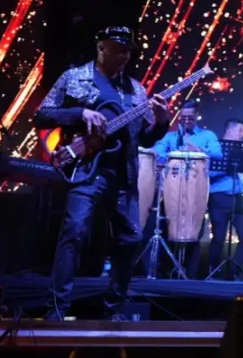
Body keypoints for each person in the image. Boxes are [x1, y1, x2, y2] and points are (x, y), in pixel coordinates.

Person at [36, 27, 170, 320]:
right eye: (119, 50)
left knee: (131, 239)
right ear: (101, 48)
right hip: (86, 170)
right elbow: (42, 115)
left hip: (123, 174)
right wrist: (80, 113)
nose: (125, 56)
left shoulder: (135, 89)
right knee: (75, 232)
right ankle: (57, 308)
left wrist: (161, 122)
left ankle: (114, 310)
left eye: (128, 51)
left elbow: (144, 138)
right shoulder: (75, 77)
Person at [152, 99, 222, 278]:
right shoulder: (171, 136)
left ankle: (190, 276)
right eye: (183, 118)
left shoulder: (207, 135)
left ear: (197, 116)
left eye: (190, 118)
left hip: (196, 189)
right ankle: (165, 273)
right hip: (172, 189)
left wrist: (199, 150)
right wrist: (170, 155)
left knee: (194, 232)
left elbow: (218, 154)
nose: (186, 121)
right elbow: (157, 151)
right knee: (167, 228)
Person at [204, 119, 243, 279]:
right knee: (218, 238)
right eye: (240, 131)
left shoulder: (240, 149)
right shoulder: (215, 148)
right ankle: (214, 272)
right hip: (219, 196)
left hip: (238, 197)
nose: (242, 134)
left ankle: (234, 271)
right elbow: (207, 173)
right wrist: (227, 166)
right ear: (230, 131)